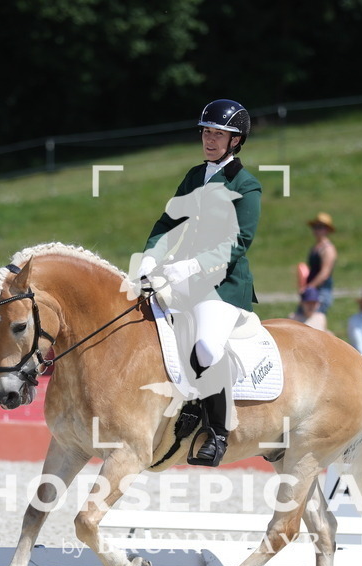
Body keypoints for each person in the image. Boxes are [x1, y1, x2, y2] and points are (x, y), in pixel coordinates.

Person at [134, 99, 261, 467]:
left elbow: (239, 243)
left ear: (236, 141)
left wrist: (190, 266)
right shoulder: (195, 175)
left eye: (219, 134)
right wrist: (150, 256)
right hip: (183, 279)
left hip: (224, 286)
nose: (210, 139)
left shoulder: (246, 184)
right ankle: (184, 406)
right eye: (206, 132)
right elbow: (167, 221)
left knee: (205, 348)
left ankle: (219, 432)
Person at [301, 212, 337, 314]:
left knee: (315, 319)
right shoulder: (316, 247)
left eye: (320, 227)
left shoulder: (328, 249)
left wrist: (309, 287)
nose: (316, 230)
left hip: (321, 290)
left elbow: (325, 273)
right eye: (315, 227)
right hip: (313, 290)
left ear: (327, 230)